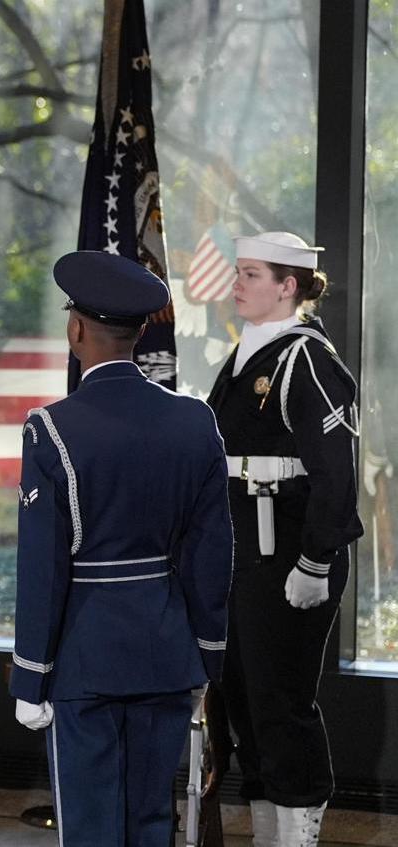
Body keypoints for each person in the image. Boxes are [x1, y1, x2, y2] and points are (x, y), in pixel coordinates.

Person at [10, 251, 233, 846]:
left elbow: (43, 568)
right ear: (140, 333)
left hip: (84, 659)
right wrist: (206, 654)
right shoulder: (194, 422)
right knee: (150, 823)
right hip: (166, 653)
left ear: (76, 330)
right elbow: (211, 558)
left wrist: (30, 677)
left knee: (90, 829)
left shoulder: (52, 429)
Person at [209, 231, 360, 845]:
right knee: (245, 704)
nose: (237, 284)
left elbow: (335, 473)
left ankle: (297, 836)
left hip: (288, 550)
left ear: (287, 285)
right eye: (240, 272)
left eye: (250, 274)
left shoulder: (307, 358)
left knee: (282, 703)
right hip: (245, 548)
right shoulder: (248, 353)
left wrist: (316, 560)